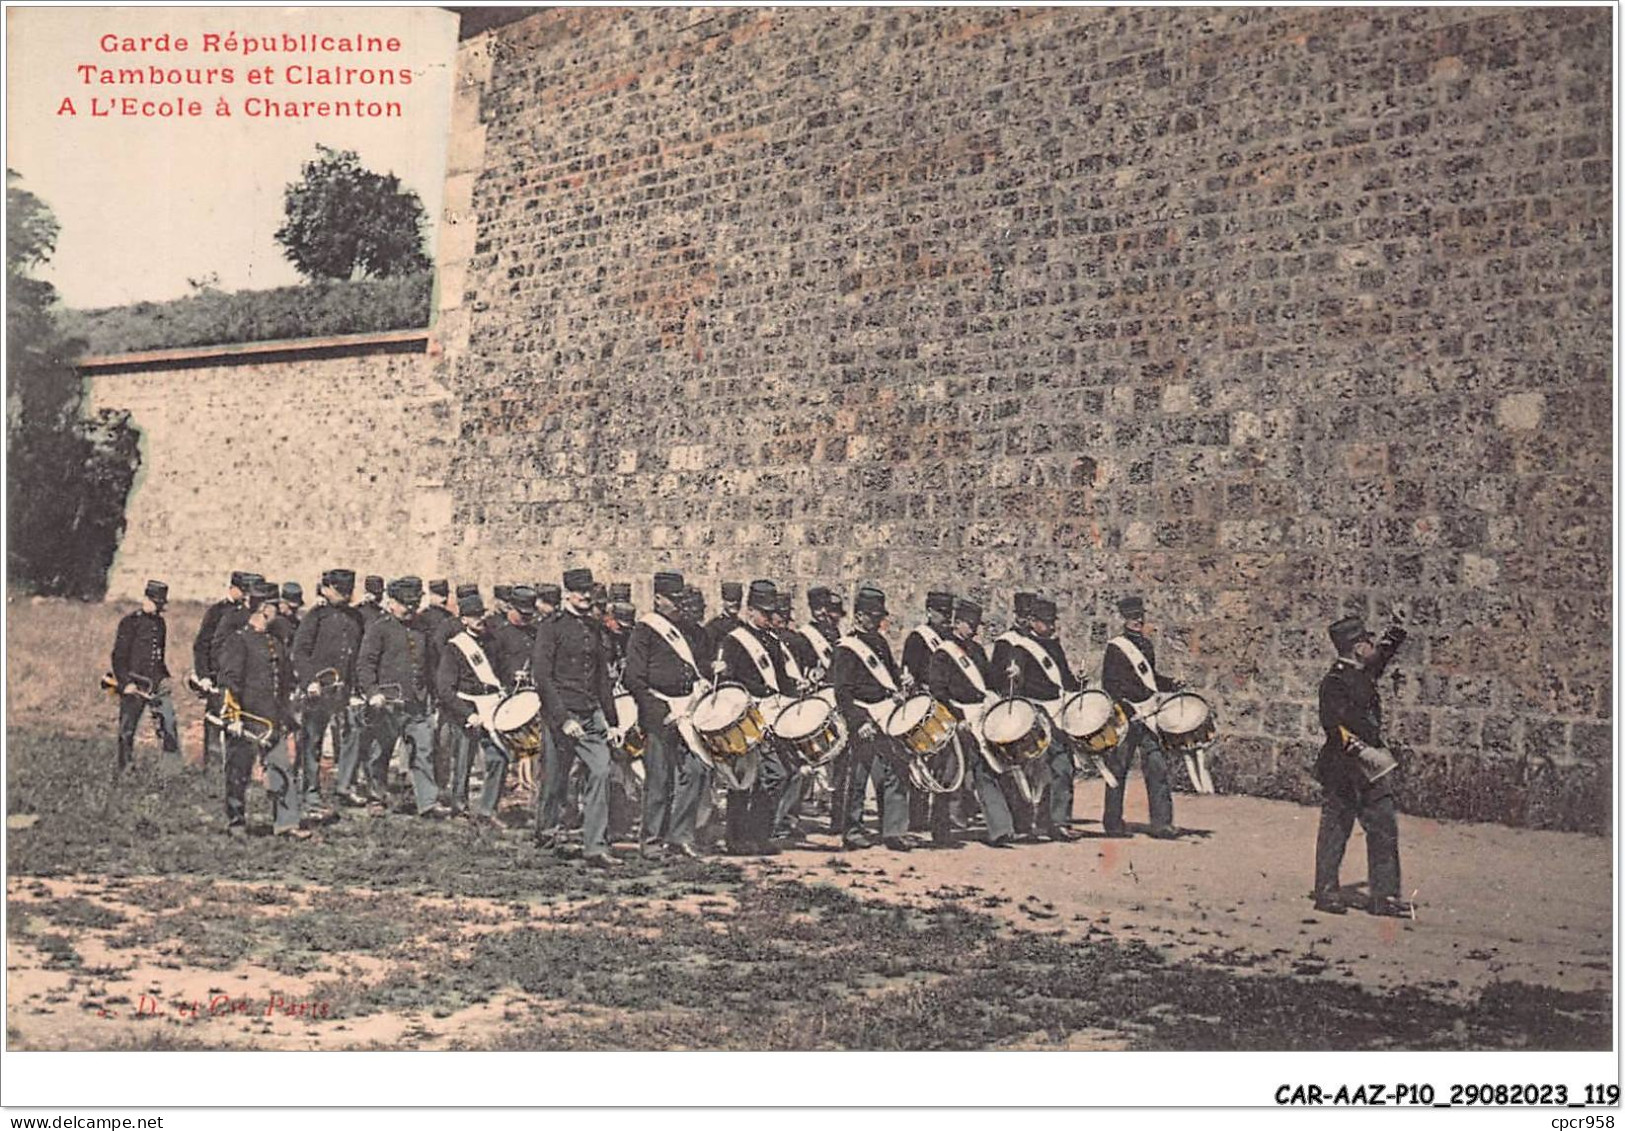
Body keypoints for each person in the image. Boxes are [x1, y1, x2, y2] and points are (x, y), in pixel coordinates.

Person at [1313, 615, 1413, 918]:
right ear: (1357, 648)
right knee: (1336, 829)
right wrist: (1369, 755)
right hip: (1344, 767)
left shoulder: (1363, 670)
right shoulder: (1335, 683)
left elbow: (1382, 654)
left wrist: (1396, 630)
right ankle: (1326, 892)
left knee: (1383, 828)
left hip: (1370, 768)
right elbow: (1335, 728)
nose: (1373, 646)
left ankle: (1384, 897)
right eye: (1368, 642)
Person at [531, 566, 619, 868]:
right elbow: (542, 677)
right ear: (567, 592)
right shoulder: (551, 627)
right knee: (555, 780)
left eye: (588, 591)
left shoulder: (594, 629)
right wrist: (562, 717)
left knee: (601, 771)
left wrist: (614, 721)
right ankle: (546, 833)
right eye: (580, 591)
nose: (585, 596)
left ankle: (594, 846)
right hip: (561, 716)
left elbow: (601, 680)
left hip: (590, 714)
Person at [622, 570, 709, 859]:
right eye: (673, 599)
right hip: (659, 713)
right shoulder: (644, 630)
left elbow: (699, 666)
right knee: (658, 779)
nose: (678, 604)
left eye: (680, 599)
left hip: (688, 711)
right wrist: (659, 711)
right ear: (658, 598)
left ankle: (680, 835)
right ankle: (652, 841)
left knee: (696, 770)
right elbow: (633, 678)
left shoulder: (691, 630)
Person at [217, 580, 307, 838]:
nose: (278, 611)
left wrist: (288, 712)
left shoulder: (275, 642)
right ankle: (236, 822)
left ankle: (287, 824)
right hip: (245, 718)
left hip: (272, 718)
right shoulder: (239, 641)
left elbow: (285, 680)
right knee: (238, 771)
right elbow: (228, 681)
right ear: (265, 609)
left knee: (282, 769)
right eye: (275, 606)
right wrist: (232, 716)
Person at [993, 594, 1084, 841]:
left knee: (1063, 768)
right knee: (1032, 773)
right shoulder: (1019, 648)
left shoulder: (1054, 646)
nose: (1051, 626)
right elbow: (1016, 687)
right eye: (1045, 621)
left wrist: (1079, 685)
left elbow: (1065, 680)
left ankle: (1058, 822)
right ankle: (1025, 824)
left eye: (1052, 621)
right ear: (1032, 621)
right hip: (1036, 715)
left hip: (1059, 714)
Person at [714, 580, 796, 855]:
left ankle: (759, 834)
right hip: (745, 717)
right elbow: (727, 683)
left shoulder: (773, 642)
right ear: (750, 610)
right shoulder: (734, 640)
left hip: (771, 716)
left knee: (776, 774)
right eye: (763, 611)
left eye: (771, 612)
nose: (769, 617)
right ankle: (736, 839)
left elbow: (783, 681)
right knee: (744, 779)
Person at [830, 585, 911, 852]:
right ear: (860, 616)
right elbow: (842, 692)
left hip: (886, 713)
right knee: (857, 776)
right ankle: (852, 830)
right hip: (862, 716)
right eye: (873, 616)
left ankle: (893, 831)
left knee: (896, 769)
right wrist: (858, 721)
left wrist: (901, 685)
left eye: (880, 617)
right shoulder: (846, 648)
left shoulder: (881, 642)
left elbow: (891, 676)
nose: (878, 621)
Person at [929, 598, 1016, 848]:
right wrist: (957, 717)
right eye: (970, 624)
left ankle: (1000, 828)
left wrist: (1008, 675)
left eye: (976, 624)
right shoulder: (943, 653)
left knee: (987, 770)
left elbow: (988, 682)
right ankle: (940, 829)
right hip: (957, 719)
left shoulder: (976, 651)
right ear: (957, 623)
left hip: (980, 716)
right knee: (949, 774)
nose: (975, 629)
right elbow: (938, 690)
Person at [356, 576, 445, 817]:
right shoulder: (379, 628)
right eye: (406, 604)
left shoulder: (422, 629)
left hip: (417, 703)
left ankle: (427, 803)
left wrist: (434, 697)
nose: (411, 609)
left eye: (414, 603)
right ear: (391, 602)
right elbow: (365, 665)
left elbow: (431, 666)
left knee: (423, 751)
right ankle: (376, 798)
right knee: (380, 753)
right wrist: (373, 693)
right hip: (387, 705)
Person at [1100, 595, 1180, 839]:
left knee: (1157, 767)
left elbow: (1151, 679)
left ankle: (1161, 823)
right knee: (1118, 767)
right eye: (1132, 617)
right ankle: (1112, 822)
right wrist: (1127, 706)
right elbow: (1110, 683)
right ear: (1124, 619)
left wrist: (1171, 684)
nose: (1137, 620)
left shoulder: (1146, 645)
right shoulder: (1116, 647)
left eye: (1139, 616)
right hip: (1127, 715)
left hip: (1148, 714)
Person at [292, 569, 365, 814]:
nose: (344, 596)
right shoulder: (316, 616)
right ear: (326, 588)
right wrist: (309, 680)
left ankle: (345, 786)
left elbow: (359, 654)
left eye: (348, 592)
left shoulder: (356, 617)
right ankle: (310, 793)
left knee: (352, 734)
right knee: (312, 740)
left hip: (345, 690)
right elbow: (300, 652)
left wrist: (358, 688)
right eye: (339, 591)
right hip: (318, 691)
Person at [435, 591, 509, 825]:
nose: (479, 619)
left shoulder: (493, 642)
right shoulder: (455, 647)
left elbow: (501, 674)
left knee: (499, 758)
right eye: (473, 615)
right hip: (468, 708)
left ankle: (488, 810)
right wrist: (467, 713)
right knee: (463, 762)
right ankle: (459, 808)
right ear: (463, 619)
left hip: (492, 705)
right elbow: (445, 689)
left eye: (481, 614)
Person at [109, 579, 181, 771]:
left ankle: (171, 769)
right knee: (127, 728)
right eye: (155, 603)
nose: (157, 608)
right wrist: (126, 683)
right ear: (146, 599)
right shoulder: (130, 622)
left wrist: (165, 677)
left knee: (168, 723)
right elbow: (118, 656)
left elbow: (159, 655)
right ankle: (125, 768)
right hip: (134, 683)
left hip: (156, 683)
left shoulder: (160, 623)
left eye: (160, 604)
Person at [901, 590, 955, 842]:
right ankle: (917, 816)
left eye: (948, 613)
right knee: (921, 762)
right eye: (941, 612)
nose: (945, 617)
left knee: (944, 765)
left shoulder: (952, 640)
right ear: (930, 612)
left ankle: (941, 823)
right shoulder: (918, 638)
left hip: (945, 704)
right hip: (924, 706)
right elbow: (910, 670)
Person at [192, 571, 256, 770]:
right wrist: (204, 676)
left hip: (237, 677)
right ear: (233, 588)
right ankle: (212, 770)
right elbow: (202, 645)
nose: (245, 596)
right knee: (214, 721)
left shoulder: (248, 614)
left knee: (235, 722)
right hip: (216, 676)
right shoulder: (217, 611)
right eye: (243, 591)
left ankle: (233, 769)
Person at [417, 580, 458, 801]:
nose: (442, 598)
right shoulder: (422, 619)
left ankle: (440, 779)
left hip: (441, 681)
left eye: (444, 594)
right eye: (438, 594)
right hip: (427, 681)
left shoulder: (448, 620)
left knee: (442, 734)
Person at [704, 581, 743, 661]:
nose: (735, 603)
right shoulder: (713, 627)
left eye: (738, 600)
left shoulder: (742, 625)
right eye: (730, 600)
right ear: (723, 601)